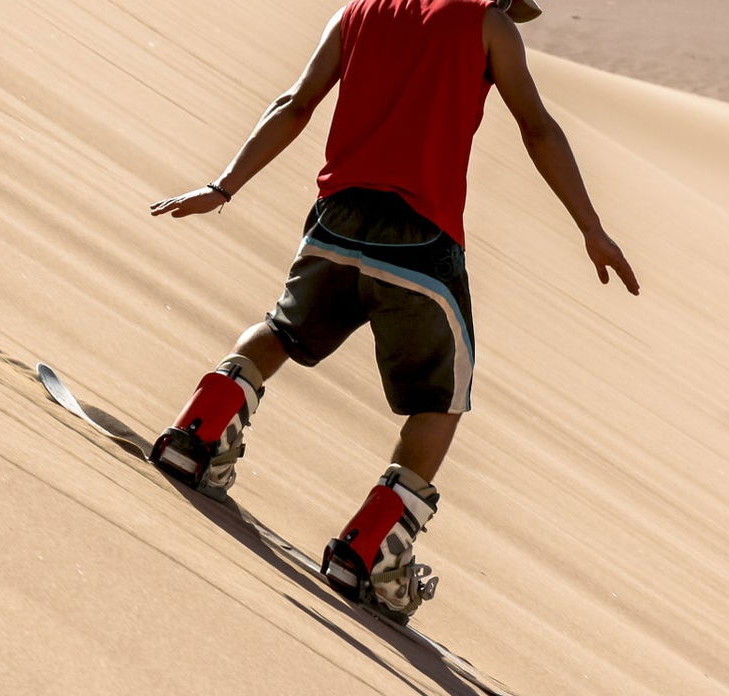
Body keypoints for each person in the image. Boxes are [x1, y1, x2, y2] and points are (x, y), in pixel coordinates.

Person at [147, 0, 640, 624]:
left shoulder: (357, 11)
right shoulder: (488, 25)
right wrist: (590, 226)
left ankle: (197, 436)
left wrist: (223, 186)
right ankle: (373, 552)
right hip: (419, 242)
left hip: (336, 222)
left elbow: (295, 104)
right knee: (441, 400)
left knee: (281, 331)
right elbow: (537, 129)